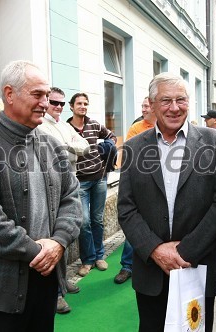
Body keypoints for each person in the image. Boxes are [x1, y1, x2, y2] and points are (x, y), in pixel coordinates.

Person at [0, 60, 82, 331]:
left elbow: (72, 198)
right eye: (37, 95)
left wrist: (58, 242)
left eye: (47, 96)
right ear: (9, 94)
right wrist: (39, 252)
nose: (45, 103)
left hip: (45, 279)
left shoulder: (51, 144)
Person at [118, 72, 216, 332]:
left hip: (197, 266)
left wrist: (184, 252)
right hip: (151, 270)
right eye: (166, 100)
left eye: (181, 99)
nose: (175, 107)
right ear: (152, 104)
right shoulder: (134, 147)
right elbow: (126, 207)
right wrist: (156, 250)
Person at [38, 86, 89, 313]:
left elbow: (85, 147)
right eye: (54, 103)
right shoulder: (41, 124)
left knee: (68, 235)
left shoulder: (64, 126)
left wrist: (67, 146)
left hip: (70, 183)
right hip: (49, 186)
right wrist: (69, 150)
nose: (57, 107)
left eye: (61, 103)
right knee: (52, 237)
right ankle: (56, 294)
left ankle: (63, 279)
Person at [67, 93, 117, 277]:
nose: (83, 106)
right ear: (71, 106)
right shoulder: (66, 128)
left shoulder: (94, 124)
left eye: (85, 103)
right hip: (80, 182)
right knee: (84, 222)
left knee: (97, 219)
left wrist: (107, 150)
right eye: (79, 103)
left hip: (99, 179)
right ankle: (87, 260)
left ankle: (99, 256)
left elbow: (112, 137)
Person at [114, 97, 157, 285]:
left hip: (161, 188)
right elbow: (130, 158)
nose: (144, 108)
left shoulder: (167, 127)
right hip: (142, 184)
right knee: (134, 228)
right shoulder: (136, 128)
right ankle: (127, 266)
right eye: (142, 105)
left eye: (147, 105)